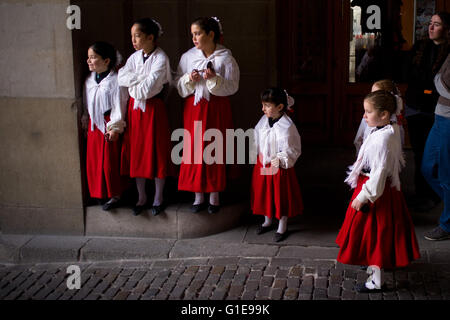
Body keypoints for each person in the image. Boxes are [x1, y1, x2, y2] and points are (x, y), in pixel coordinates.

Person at [336, 90, 420, 293]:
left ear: (383, 114)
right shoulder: (386, 130)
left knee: (377, 236)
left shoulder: (383, 138)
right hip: (378, 189)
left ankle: (376, 281)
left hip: (376, 194)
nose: (364, 116)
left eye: (368, 112)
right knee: (376, 235)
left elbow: (379, 173)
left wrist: (364, 197)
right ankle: (376, 268)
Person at [175, 17, 240, 214]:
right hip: (194, 108)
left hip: (216, 108)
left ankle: (214, 195)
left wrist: (215, 79)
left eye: (198, 33)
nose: (194, 38)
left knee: (214, 148)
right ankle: (198, 195)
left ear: (211, 34)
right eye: (192, 34)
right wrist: (189, 79)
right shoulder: (187, 57)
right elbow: (177, 83)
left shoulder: (225, 58)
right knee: (194, 149)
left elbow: (233, 85)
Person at [118, 18, 173, 216]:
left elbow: (147, 91)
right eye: (132, 36)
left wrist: (135, 82)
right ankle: (141, 197)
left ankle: (158, 197)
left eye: (137, 36)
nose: (133, 40)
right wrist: (139, 79)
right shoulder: (134, 58)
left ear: (150, 37)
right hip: (134, 112)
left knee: (156, 151)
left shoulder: (160, 58)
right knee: (137, 152)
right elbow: (121, 77)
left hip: (153, 110)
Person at [404, 12, 450, 212]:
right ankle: (420, 193)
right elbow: (412, 76)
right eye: (430, 23)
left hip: (436, 111)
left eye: (436, 24)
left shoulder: (448, 52)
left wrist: (427, 88)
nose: (431, 28)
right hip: (415, 108)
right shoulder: (420, 47)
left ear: (446, 30)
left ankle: (434, 196)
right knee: (418, 153)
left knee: (437, 156)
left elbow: (437, 84)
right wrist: (425, 88)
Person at [251, 88, 303, 242]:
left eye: (267, 105)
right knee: (264, 192)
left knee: (280, 195)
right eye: (263, 105)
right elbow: (257, 135)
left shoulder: (287, 127)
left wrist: (281, 159)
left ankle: (282, 224)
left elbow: (293, 148)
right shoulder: (263, 121)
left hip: (279, 166)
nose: (263, 109)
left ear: (280, 107)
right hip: (264, 162)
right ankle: (267, 220)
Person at [81, 41, 128, 211]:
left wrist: (115, 127)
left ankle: (115, 194)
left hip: (108, 125)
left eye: (93, 57)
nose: (89, 61)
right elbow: (86, 103)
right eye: (88, 57)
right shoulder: (89, 81)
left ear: (106, 61)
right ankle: (98, 193)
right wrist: (86, 121)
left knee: (109, 162)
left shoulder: (115, 81)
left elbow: (119, 104)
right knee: (94, 162)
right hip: (94, 126)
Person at [422, 53, 450, 241]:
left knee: (446, 175)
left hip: (449, 119)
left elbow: (442, 84)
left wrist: (437, 80)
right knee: (428, 168)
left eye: (436, 23)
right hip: (440, 116)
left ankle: (447, 224)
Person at [354, 79, 405, 153]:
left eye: (376, 94)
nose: (372, 97)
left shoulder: (395, 122)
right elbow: (359, 139)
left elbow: (400, 141)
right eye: (372, 93)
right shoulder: (368, 118)